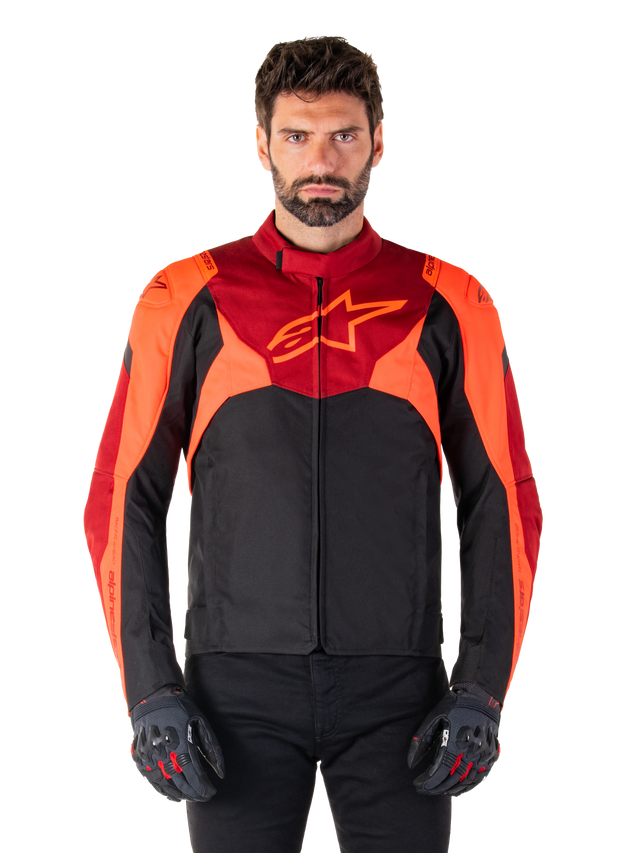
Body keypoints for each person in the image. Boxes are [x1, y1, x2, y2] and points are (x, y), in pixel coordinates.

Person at [81, 34, 544, 853]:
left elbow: (502, 501)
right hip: (232, 692)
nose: (321, 161)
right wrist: (151, 690)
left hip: (399, 691)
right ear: (261, 144)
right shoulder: (182, 294)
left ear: (379, 142)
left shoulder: (452, 298)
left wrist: (481, 688)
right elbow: (122, 497)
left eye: (343, 135)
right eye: (297, 135)